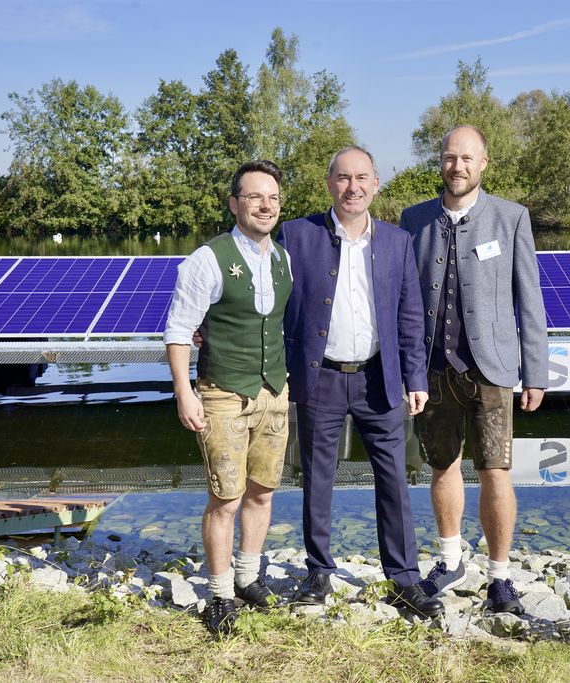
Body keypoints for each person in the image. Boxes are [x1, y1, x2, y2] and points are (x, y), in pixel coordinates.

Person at [277, 145, 444, 619]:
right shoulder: (296, 235)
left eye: (362, 178)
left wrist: (415, 376)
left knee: (393, 479)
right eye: (343, 178)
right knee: (317, 478)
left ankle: (404, 579)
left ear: (375, 185)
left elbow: (411, 317)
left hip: (380, 379)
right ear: (330, 184)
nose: (353, 187)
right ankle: (318, 572)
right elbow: (263, 293)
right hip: (319, 378)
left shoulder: (396, 241)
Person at [399, 125, 548, 615]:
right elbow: (402, 298)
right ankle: (450, 558)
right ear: (439, 163)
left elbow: (531, 300)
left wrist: (537, 372)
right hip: (433, 368)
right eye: (448, 157)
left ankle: (500, 578)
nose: (456, 166)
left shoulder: (512, 218)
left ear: (483, 163)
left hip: (494, 369)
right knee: (441, 466)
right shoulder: (413, 220)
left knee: (495, 471)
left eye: (466, 158)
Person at [163, 159, 291, 635]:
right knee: (226, 497)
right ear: (235, 203)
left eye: (272, 198)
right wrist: (184, 393)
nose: (265, 205)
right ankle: (218, 594)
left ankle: (247, 577)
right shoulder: (207, 259)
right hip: (221, 394)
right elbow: (178, 331)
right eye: (254, 196)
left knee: (262, 491)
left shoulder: (283, 258)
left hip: (274, 392)